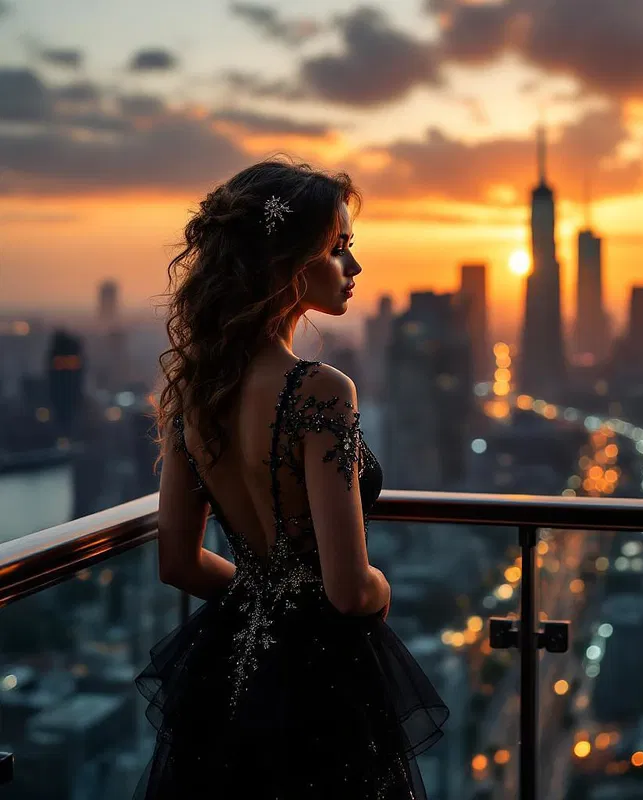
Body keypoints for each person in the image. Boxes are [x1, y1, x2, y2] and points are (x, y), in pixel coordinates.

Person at [135, 158, 448, 798]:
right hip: (321, 686)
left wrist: (263, 595)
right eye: (340, 249)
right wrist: (378, 585)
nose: (355, 268)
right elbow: (347, 589)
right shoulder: (322, 392)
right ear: (289, 262)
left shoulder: (193, 394)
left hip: (230, 674)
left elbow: (179, 563)